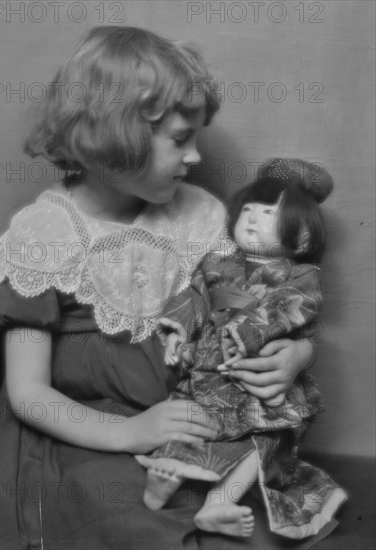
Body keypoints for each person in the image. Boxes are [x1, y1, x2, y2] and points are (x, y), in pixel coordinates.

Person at [0, 27, 319, 550]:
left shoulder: (199, 215)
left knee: (255, 494)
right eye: (180, 140)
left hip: (184, 407)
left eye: (197, 138)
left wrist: (295, 352)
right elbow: (28, 395)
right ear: (117, 139)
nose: (193, 158)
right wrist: (127, 432)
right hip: (83, 424)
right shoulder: (45, 235)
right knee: (131, 516)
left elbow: (249, 309)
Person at [136, 158, 347, 539]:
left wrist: (244, 331)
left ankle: (220, 503)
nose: (251, 218)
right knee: (189, 419)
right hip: (210, 370)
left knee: (262, 441)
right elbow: (195, 296)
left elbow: (288, 309)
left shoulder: (301, 276)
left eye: (267, 213)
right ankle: (162, 477)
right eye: (247, 210)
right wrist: (178, 331)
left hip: (255, 379)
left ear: (300, 236)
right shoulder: (218, 262)